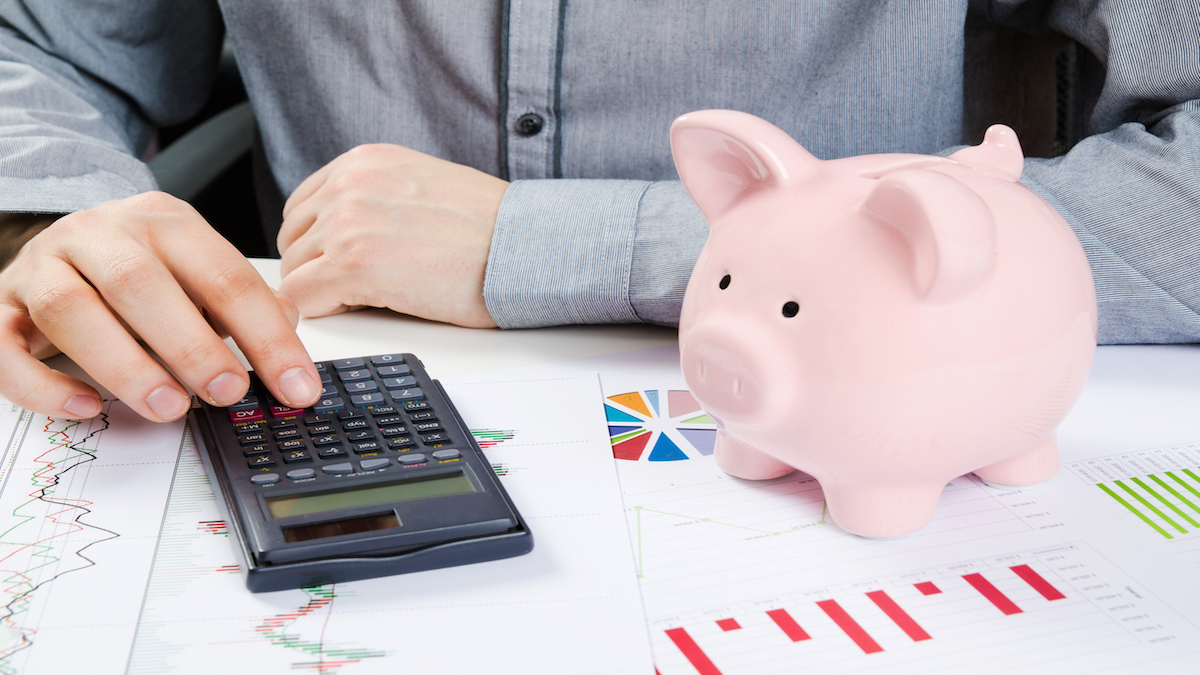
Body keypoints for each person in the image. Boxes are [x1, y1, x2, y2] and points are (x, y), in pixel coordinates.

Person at [1, 1, 1197, 424]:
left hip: (869, 413)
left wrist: (557, 245)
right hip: (317, 383)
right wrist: (60, 213)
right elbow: (37, 48)